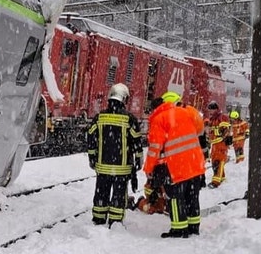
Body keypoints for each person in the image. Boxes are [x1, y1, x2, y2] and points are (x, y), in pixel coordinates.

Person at [143, 91, 207, 238]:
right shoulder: (186, 113)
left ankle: (179, 229)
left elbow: (155, 148)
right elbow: (199, 130)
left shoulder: (159, 119)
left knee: (175, 197)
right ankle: (193, 227)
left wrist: (149, 168)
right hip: (195, 163)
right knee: (192, 196)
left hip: (176, 166)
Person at [86, 83, 142, 228]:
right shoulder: (129, 119)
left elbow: (91, 139)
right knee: (118, 195)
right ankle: (115, 222)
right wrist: (138, 160)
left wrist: (92, 158)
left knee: (101, 193)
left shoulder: (99, 117)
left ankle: (98, 218)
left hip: (102, 166)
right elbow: (137, 142)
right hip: (121, 168)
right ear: (124, 99)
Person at [206, 101, 232, 188]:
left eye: (211, 110)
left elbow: (226, 130)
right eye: (209, 110)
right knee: (215, 162)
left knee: (218, 162)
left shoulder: (222, 117)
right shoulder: (212, 119)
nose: (210, 111)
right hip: (215, 143)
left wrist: (222, 136)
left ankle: (216, 182)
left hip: (221, 143)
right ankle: (222, 178)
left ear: (216, 109)